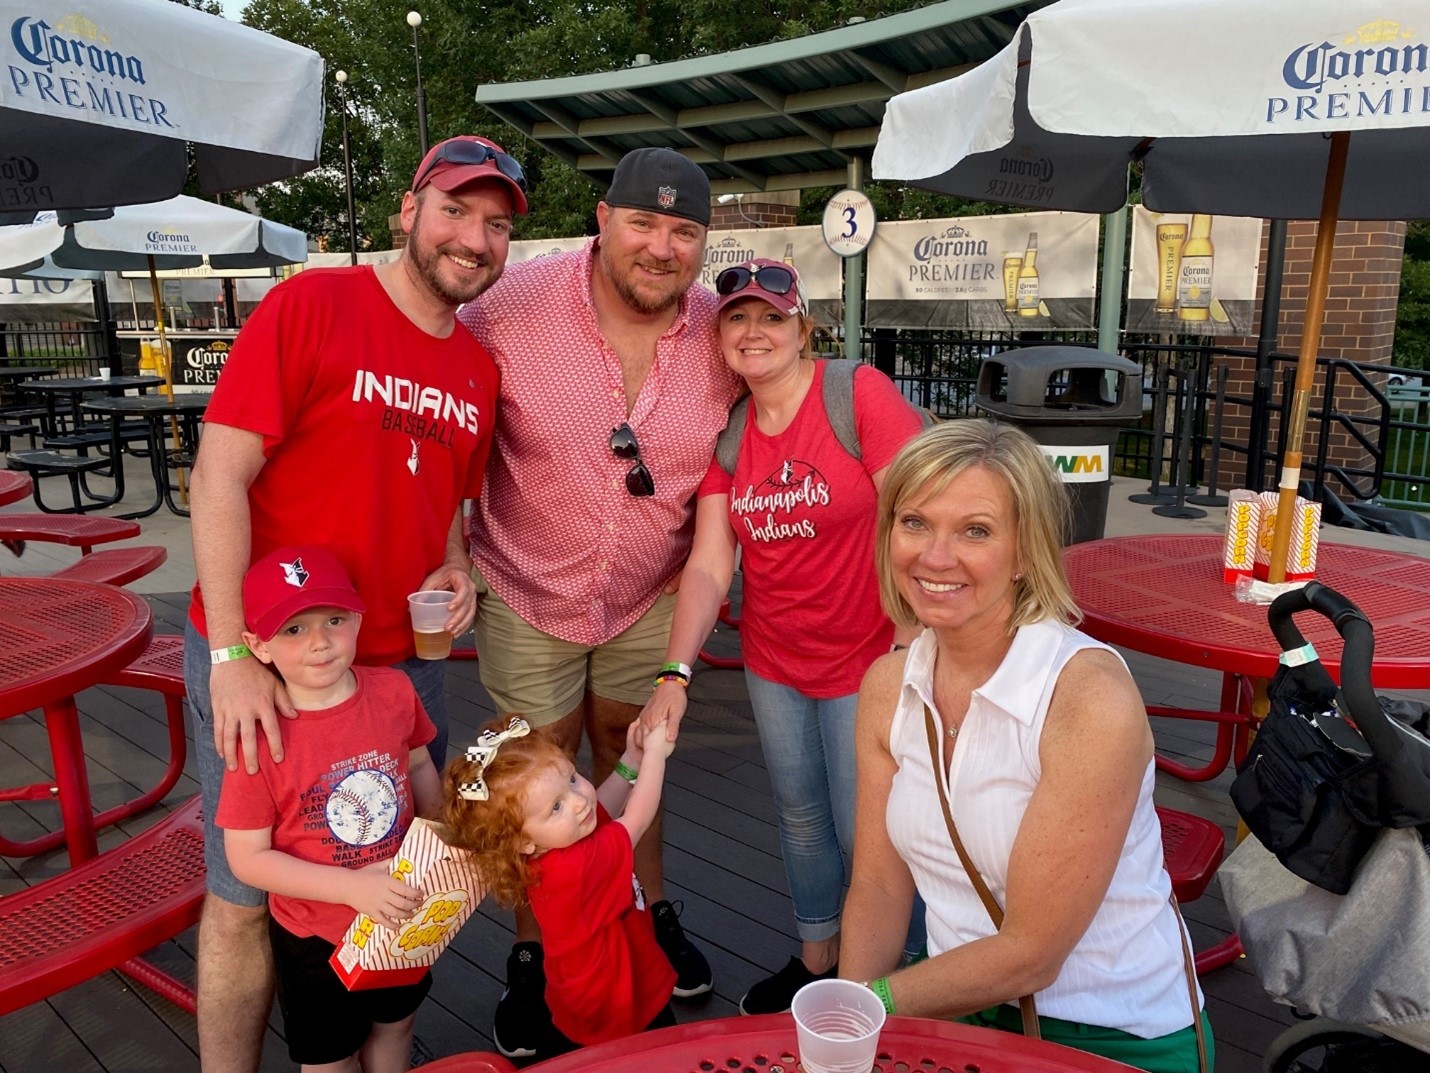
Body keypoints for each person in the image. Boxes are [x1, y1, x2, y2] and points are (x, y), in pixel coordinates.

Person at [185, 134, 525, 1073]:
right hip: (273, 658)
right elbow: (218, 477)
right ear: (407, 210)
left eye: (497, 225)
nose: (475, 237)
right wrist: (233, 657)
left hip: (400, 668)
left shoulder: (477, 371)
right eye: (456, 209)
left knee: (404, 865)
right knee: (246, 894)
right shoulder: (311, 304)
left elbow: (446, 515)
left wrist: (457, 571)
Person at [457, 146, 738, 1055]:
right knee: (536, 785)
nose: (662, 246)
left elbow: (789, 401)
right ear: (603, 219)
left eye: (684, 229)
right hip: (523, 590)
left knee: (630, 752)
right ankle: (536, 957)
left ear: (702, 241)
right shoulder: (508, 308)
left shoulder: (721, 330)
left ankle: (644, 916)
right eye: (644, 222)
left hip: (649, 594)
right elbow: (437, 409)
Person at [840, 420, 1212, 1073]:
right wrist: (846, 1037)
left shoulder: (1085, 698)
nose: (934, 555)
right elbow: (875, 883)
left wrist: (866, 1005)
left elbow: (1032, 951)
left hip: (1110, 1029)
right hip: (951, 1003)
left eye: (975, 530)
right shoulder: (888, 684)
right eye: (915, 521)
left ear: (1024, 551)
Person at [637, 258, 925, 1014]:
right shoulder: (730, 434)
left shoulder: (854, 394)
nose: (754, 330)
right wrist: (676, 671)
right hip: (775, 661)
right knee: (801, 817)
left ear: (803, 327)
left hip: (870, 660)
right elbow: (708, 562)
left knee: (874, 833)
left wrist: (906, 646)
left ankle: (892, 982)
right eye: (737, 318)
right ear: (721, 337)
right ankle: (817, 959)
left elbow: (919, 514)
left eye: (771, 316)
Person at [217, 545, 442, 1073]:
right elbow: (247, 860)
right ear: (258, 646)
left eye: (334, 620)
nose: (319, 642)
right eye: (293, 630)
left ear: (358, 620)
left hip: (400, 912)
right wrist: (350, 887)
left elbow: (418, 766)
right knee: (330, 1055)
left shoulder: (393, 690)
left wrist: (441, 836)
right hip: (314, 933)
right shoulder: (259, 734)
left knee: (396, 1024)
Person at [442, 715, 678, 1061]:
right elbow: (637, 818)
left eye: (571, 779)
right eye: (555, 807)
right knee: (647, 1058)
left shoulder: (556, 842)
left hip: (602, 983)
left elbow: (601, 807)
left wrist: (630, 761)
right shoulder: (572, 867)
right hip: (611, 1000)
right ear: (522, 842)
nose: (578, 801)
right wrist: (655, 755)